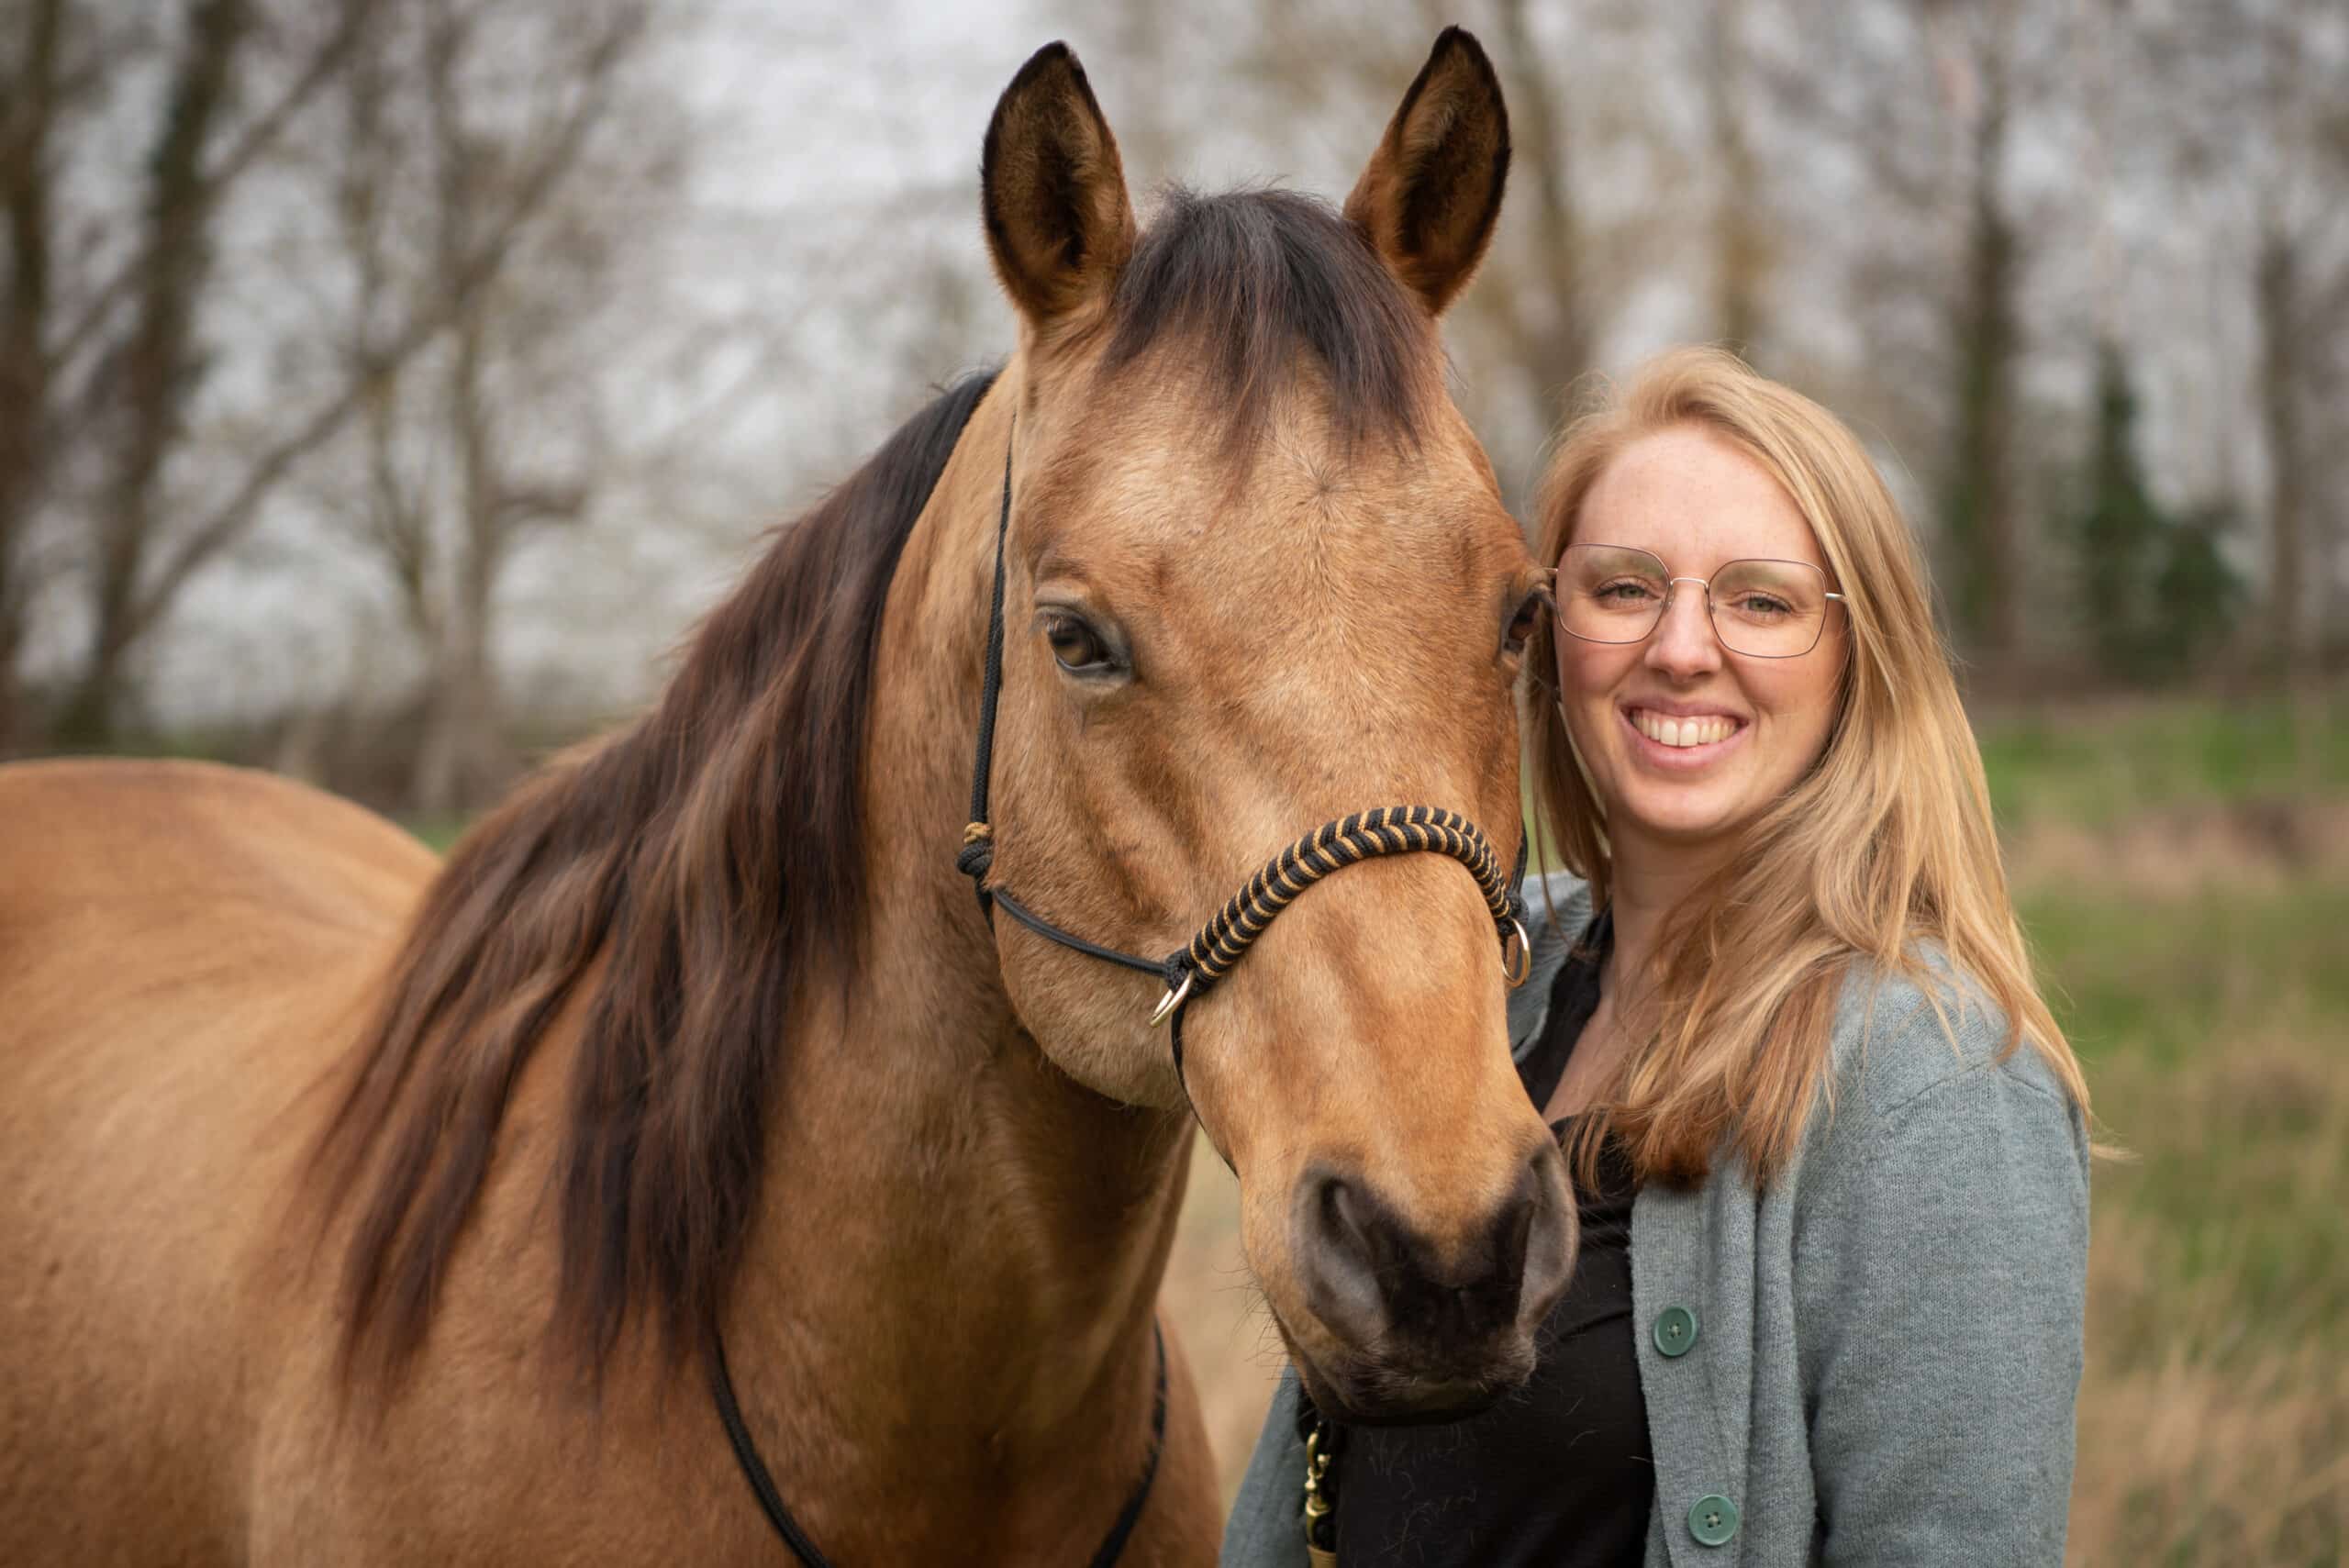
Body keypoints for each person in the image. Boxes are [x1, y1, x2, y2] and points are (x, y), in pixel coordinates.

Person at [1221, 348, 2091, 1567]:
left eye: (1761, 600)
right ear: (1543, 633)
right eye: (1624, 588)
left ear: (1859, 658)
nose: (1682, 649)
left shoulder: (1938, 1084)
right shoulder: (1485, 966)